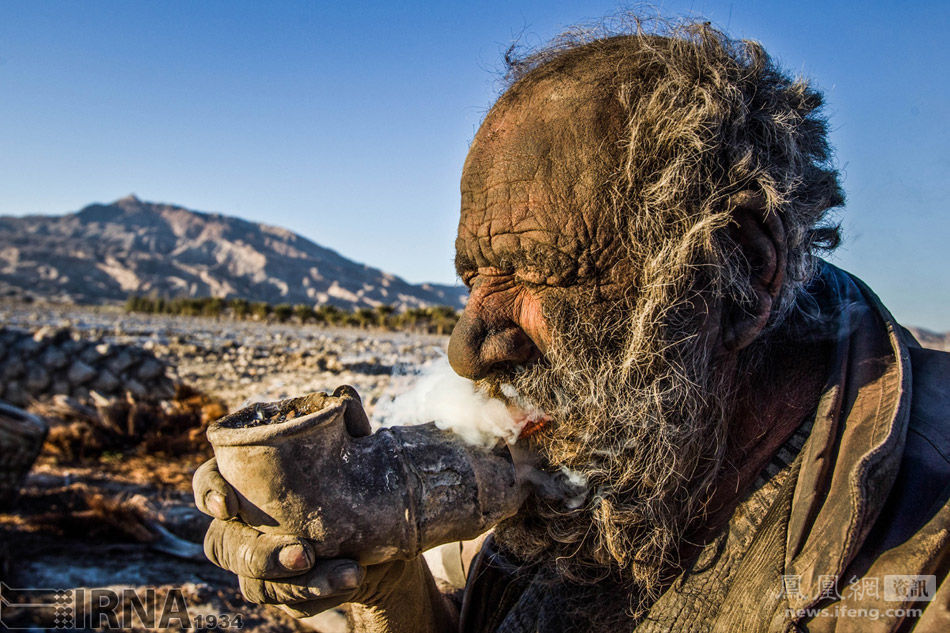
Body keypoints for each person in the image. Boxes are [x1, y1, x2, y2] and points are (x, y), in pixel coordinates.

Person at [193, 18, 950, 632]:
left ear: (738, 272)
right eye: (474, 277)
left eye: (535, 269)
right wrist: (389, 589)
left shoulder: (922, 567)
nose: (466, 351)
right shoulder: (597, 459)